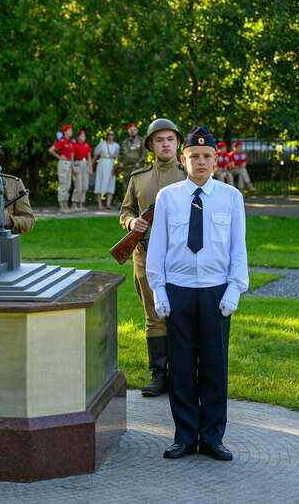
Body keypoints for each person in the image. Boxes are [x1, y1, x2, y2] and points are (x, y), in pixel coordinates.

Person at [146, 125, 248, 461]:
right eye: (194, 156)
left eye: (207, 156)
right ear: (184, 159)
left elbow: (238, 250)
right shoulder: (168, 197)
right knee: (182, 367)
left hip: (216, 292)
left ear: (216, 160)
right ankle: (186, 436)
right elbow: (157, 249)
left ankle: (214, 437)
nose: (200, 162)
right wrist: (159, 292)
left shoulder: (231, 197)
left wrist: (234, 289)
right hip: (180, 290)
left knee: (215, 368)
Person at [119, 119, 187, 397]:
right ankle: (158, 374)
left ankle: (182, 375)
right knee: (154, 315)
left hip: (182, 258)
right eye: (159, 140)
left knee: (182, 317)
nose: (166, 144)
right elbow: (125, 211)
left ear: (178, 143)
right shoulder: (138, 178)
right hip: (145, 256)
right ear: (150, 145)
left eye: (170, 139)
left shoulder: (188, 175)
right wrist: (132, 223)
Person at [49, 125, 75, 214]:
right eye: (69, 131)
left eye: (71, 131)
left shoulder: (70, 142)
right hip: (63, 164)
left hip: (69, 163)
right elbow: (51, 150)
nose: (71, 132)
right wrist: (59, 157)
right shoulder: (62, 141)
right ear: (65, 132)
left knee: (68, 185)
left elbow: (71, 154)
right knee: (63, 185)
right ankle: (61, 207)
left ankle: (66, 205)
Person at [92, 129, 120, 210]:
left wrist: (117, 165)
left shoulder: (116, 145)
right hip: (102, 163)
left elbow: (117, 156)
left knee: (111, 183)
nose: (110, 136)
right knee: (100, 181)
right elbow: (96, 155)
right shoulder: (102, 144)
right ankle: (100, 204)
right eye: (108, 134)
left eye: (111, 134)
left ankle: (108, 204)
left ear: (114, 136)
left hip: (111, 163)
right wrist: (91, 166)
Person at [71, 130, 93, 211]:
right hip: (78, 164)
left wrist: (90, 168)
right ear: (78, 137)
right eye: (82, 136)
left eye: (84, 136)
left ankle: (81, 204)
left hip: (85, 164)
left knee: (85, 186)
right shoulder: (75, 145)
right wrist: (73, 167)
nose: (84, 137)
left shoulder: (87, 145)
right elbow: (72, 157)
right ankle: (74, 204)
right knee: (78, 186)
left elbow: (89, 157)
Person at [121, 122, 146, 189]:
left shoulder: (141, 140)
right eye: (131, 130)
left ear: (137, 131)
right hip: (126, 167)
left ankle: (136, 200)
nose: (132, 131)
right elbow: (120, 152)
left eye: (134, 130)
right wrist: (120, 162)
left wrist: (139, 162)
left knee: (136, 185)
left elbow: (144, 152)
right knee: (125, 185)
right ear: (128, 131)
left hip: (136, 167)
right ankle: (127, 199)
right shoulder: (125, 141)